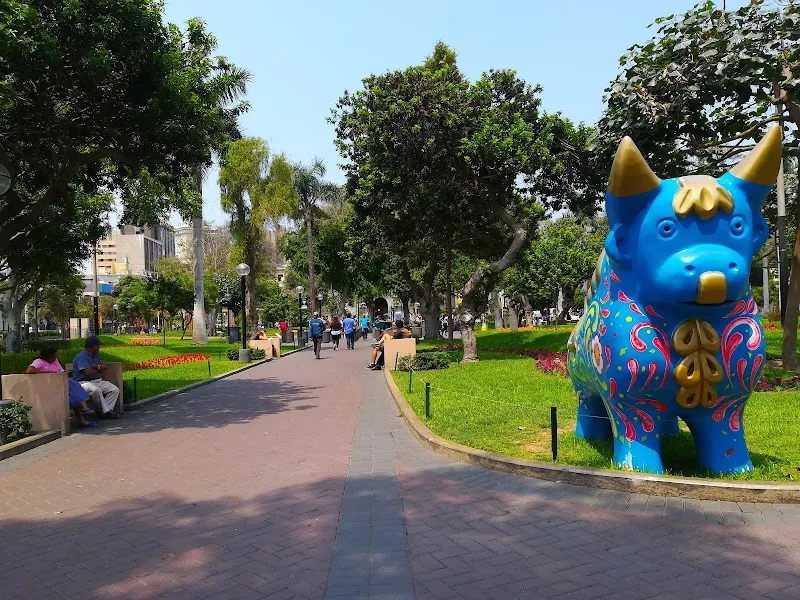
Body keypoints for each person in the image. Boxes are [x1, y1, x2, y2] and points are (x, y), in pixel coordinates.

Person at [24, 346, 97, 428]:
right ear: (49, 356)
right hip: (48, 387)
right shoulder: (39, 362)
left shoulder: (55, 361)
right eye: (54, 355)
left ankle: (83, 417)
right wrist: (46, 372)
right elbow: (29, 370)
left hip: (60, 384)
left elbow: (61, 371)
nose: (56, 357)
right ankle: (84, 410)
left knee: (73, 392)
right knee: (72, 386)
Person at [73, 336, 120, 418]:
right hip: (84, 382)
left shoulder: (96, 355)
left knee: (114, 390)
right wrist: (98, 368)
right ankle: (106, 412)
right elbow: (87, 372)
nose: (99, 347)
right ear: (93, 346)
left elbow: (104, 366)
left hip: (97, 380)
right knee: (96, 390)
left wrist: (95, 367)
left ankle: (104, 411)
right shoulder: (81, 357)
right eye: (98, 345)